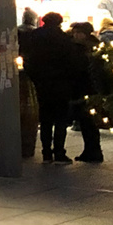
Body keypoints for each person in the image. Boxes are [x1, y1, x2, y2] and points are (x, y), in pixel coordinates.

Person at [21, 11, 80, 163]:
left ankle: (46, 152)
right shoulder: (65, 39)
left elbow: (26, 59)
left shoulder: (34, 37)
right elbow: (73, 62)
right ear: (59, 22)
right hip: (61, 83)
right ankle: (59, 152)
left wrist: (34, 77)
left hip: (42, 83)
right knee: (60, 119)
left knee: (45, 119)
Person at [70, 22, 110, 163]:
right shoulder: (95, 47)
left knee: (88, 122)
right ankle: (92, 151)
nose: (74, 35)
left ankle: (92, 152)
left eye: (76, 33)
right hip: (91, 89)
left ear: (83, 34)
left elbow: (87, 71)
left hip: (87, 89)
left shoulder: (85, 50)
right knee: (88, 122)